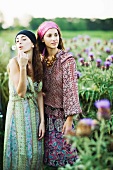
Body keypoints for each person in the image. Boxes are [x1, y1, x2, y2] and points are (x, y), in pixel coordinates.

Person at [36, 21, 82, 169]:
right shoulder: (40, 61)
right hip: (47, 116)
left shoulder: (67, 60)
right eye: (49, 35)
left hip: (63, 118)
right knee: (50, 161)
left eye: (56, 35)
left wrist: (69, 121)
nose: (54, 38)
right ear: (42, 39)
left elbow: (71, 90)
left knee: (68, 160)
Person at [3, 30, 45, 170]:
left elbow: (39, 93)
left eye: (23, 39)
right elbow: (21, 92)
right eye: (17, 40)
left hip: (34, 114)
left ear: (33, 44)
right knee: (21, 152)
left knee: (35, 152)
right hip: (18, 112)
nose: (19, 42)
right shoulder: (14, 62)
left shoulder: (39, 64)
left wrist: (42, 121)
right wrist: (22, 66)